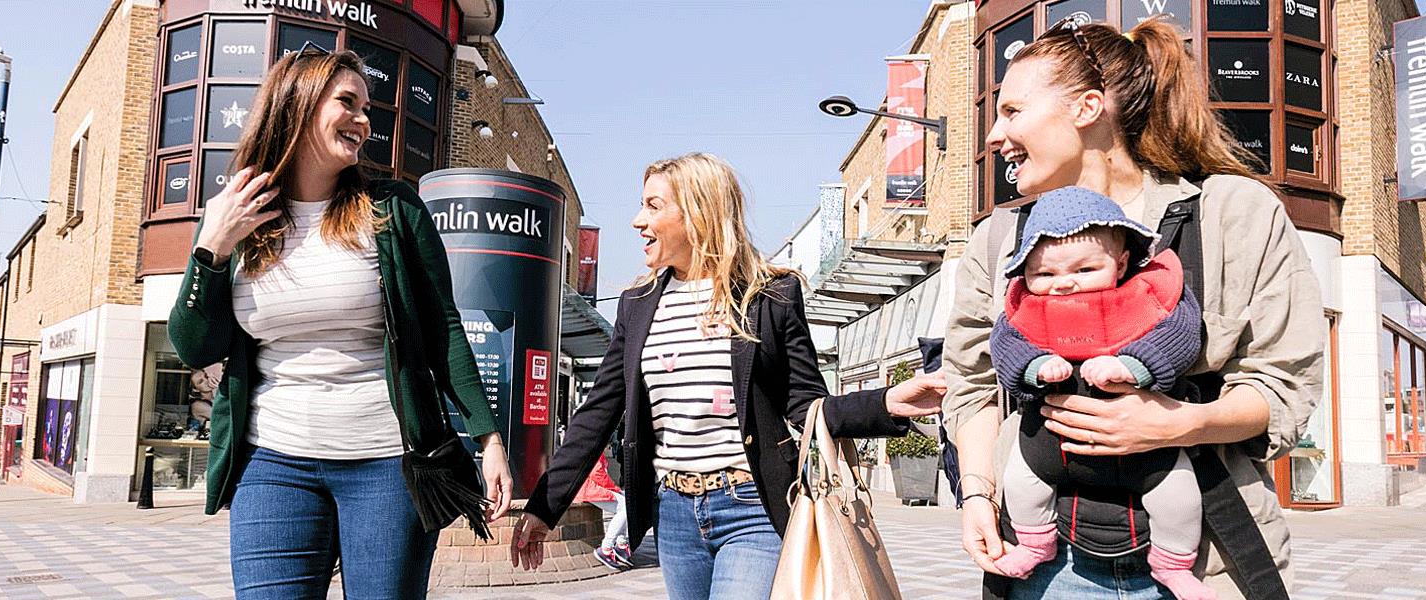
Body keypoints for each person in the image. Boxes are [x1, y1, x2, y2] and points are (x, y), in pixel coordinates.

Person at [942, 16, 1324, 600]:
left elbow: (1284, 386)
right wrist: (976, 494)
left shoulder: (1232, 213)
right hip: (1046, 566)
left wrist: (1179, 423)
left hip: (1205, 564)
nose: (994, 135)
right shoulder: (998, 239)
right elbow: (970, 384)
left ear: (1088, 107)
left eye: (1013, 111)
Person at [508, 152, 948, 600]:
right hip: (674, 513)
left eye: (654, 206)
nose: (638, 221)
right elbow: (598, 412)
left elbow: (805, 405)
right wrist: (547, 505)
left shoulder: (770, 296)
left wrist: (885, 403)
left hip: (752, 508)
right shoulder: (637, 305)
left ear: (699, 212)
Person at [166, 45, 512, 600]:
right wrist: (212, 246)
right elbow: (192, 343)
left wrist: (488, 437)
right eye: (347, 102)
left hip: (386, 465)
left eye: (367, 107)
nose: (363, 119)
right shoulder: (238, 215)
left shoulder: (391, 209)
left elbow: (442, 327)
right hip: (272, 462)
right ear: (297, 105)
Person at [987, 188, 1210, 599]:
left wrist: (1136, 366)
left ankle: (1174, 565)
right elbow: (1005, 346)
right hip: (1050, 446)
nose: (1064, 285)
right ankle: (1035, 543)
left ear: (1121, 262)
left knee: (1178, 494)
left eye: (1085, 269)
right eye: (1044, 275)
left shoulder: (1148, 294)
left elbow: (1180, 334)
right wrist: (1034, 367)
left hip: (1148, 450)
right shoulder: (1024, 307)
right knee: (1021, 481)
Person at [576, 454, 633, 571]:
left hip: (588, 486)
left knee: (626, 503)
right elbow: (597, 474)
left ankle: (621, 545)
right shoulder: (593, 442)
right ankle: (606, 549)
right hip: (588, 488)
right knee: (625, 507)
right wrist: (614, 488)